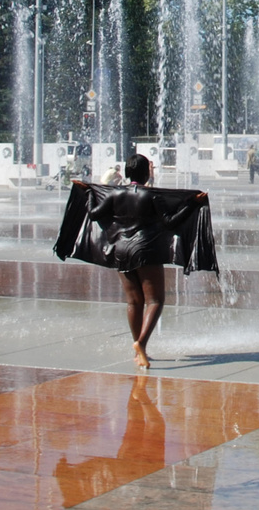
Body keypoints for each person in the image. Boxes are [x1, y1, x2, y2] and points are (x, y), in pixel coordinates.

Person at [56, 153, 217, 370]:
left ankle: (139, 349)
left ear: (127, 171)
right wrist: (192, 204)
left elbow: (93, 214)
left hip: (120, 250)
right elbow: (170, 222)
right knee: (155, 301)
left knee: (133, 302)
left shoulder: (114, 195)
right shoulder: (150, 196)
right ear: (145, 173)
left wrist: (89, 193)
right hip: (146, 250)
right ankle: (140, 343)